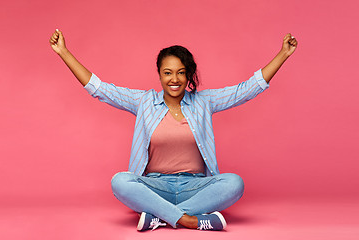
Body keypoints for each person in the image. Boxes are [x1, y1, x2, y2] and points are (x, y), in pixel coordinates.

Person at [49, 29, 297, 231]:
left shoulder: (204, 102)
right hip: (154, 187)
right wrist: (64, 53)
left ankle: (160, 217)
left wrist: (283, 54)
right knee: (120, 181)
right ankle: (189, 219)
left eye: (180, 73)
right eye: (168, 73)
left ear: (188, 74)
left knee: (234, 183)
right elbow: (99, 88)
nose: (174, 79)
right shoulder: (144, 102)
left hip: (196, 187)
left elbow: (246, 90)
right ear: (159, 75)